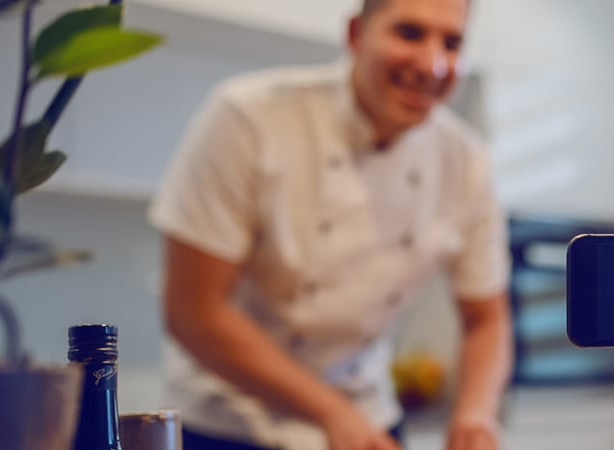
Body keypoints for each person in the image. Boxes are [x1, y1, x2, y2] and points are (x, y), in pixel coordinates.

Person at [147, 0, 513, 449]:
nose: (432, 64)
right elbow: (193, 311)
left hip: (368, 420)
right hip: (227, 424)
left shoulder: (467, 163)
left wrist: (476, 413)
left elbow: (486, 319)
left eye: (452, 42)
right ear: (356, 34)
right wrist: (330, 412)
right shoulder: (249, 117)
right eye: (410, 34)